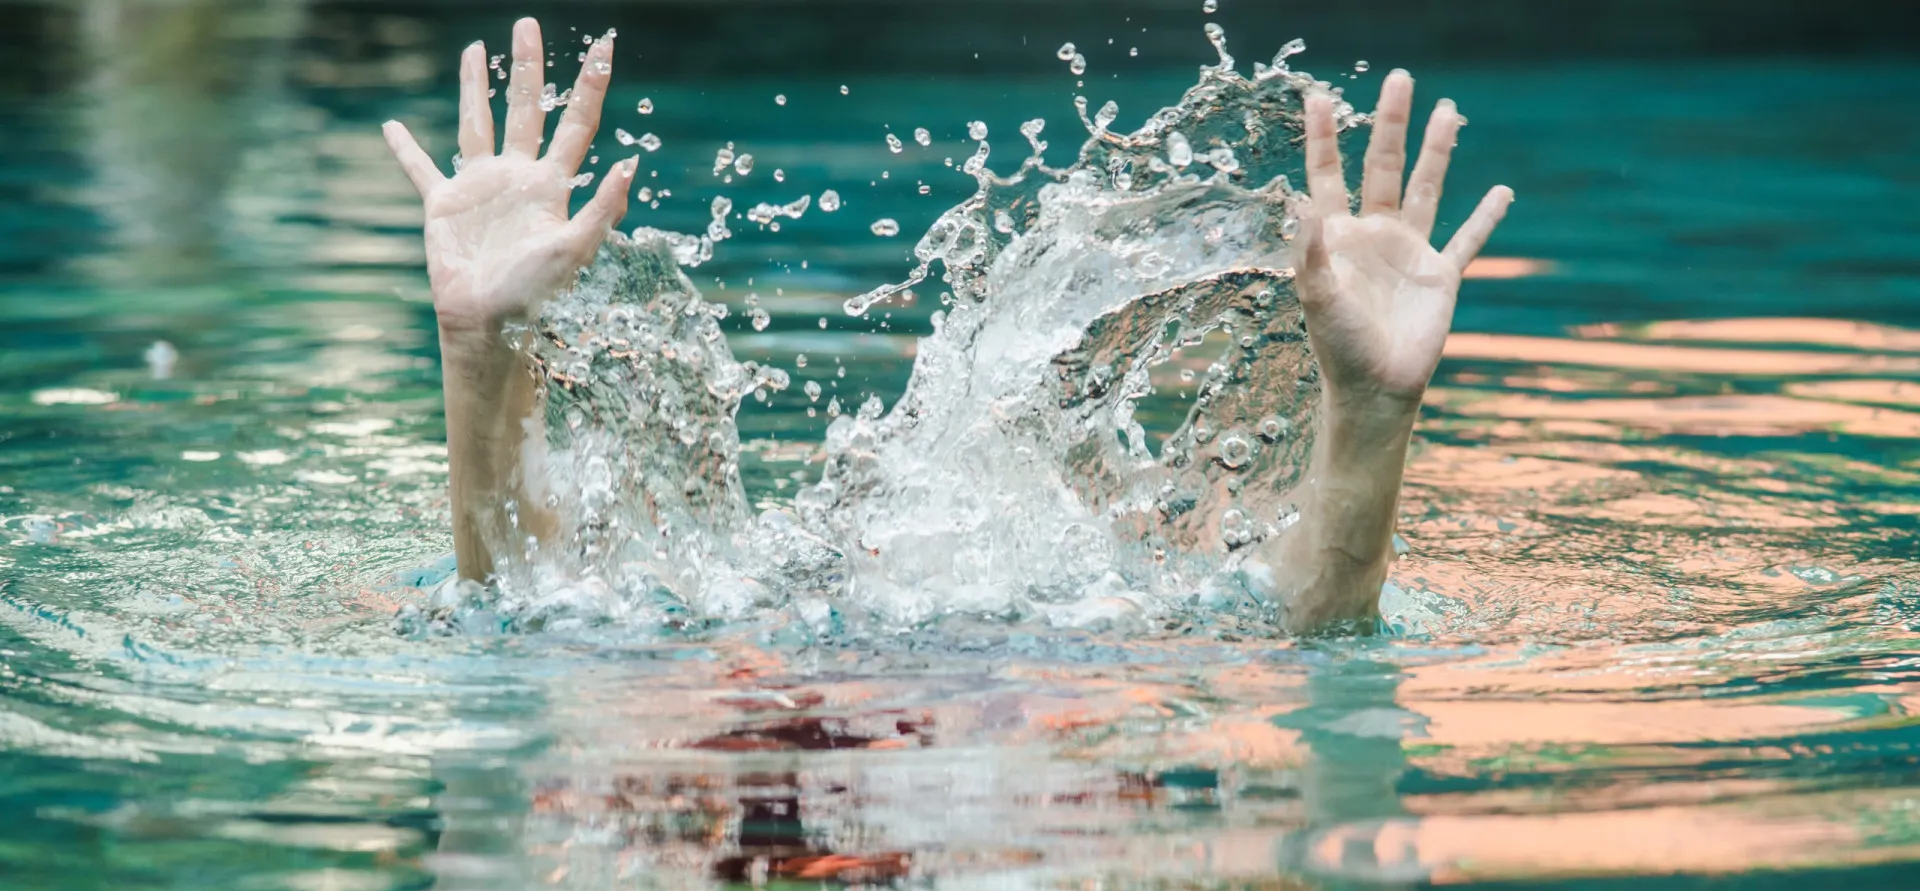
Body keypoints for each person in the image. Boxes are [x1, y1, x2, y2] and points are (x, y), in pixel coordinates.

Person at [382, 18, 1513, 636]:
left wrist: (1370, 416)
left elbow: (1310, 623)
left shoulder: (1077, 624)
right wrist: (481, 352)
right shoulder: (731, 645)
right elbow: (520, 613)